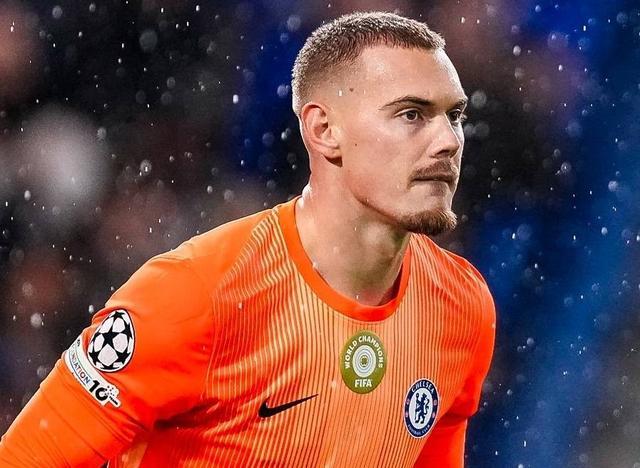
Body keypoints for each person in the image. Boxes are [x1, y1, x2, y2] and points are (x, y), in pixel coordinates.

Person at [0, 11, 495, 467]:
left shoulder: (461, 307)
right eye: (411, 114)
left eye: (454, 116)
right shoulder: (194, 296)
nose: (448, 141)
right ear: (324, 130)